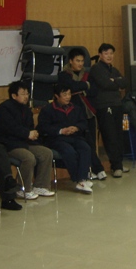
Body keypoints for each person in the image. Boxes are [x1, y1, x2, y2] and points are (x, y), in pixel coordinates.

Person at [0, 81, 55, 200]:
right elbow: (10, 128)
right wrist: (27, 134)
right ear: (14, 95)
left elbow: (28, 127)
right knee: (28, 157)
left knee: (46, 153)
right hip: (8, 144)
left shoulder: (26, 109)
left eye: (27, 93)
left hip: (24, 142)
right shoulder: (5, 108)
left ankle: (40, 186)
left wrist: (33, 133)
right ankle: (23, 189)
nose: (26, 96)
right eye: (23, 94)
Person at [58, 48, 107, 181]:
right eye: (77, 61)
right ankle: (94, 169)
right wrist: (85, 85)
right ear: (71, 61)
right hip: (72, 114)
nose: (80, 64)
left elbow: (94, 90)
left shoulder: (87, 74)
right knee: (84, 144)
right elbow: (71, 87)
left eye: (82, 61)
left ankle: (96, 169)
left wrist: (81, 88)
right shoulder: (64, 75)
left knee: (91, 144)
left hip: (88, 111)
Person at [37, 84, 94, 194]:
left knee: (85, 148)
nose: (68, 97)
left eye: (69, 94)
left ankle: (82, 179)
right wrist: (61, 131)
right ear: (56, 96)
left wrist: (76, 128)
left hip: (74, 136)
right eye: (64, 95)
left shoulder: (76, 108)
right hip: (56, 139)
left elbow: (83, 122)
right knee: (69, 151)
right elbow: (43, 127)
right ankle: (79, 180)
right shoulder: (47, 110)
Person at [90, 43, 129, 178]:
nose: (109, 56)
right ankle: (115, 166)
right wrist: (116, 82)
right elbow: (105, 84)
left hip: (117, 105)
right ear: (100, 55)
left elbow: (124, 83)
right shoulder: (96, 69)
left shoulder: (114, 69)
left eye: (111, 53)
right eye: (106, 53)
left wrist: (114, 81)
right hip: (104, 106)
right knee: (110, 136)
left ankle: (119, 163)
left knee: (119, 135)